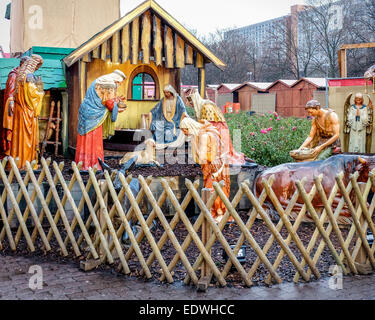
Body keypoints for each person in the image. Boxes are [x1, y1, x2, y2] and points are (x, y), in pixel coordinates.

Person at [180, 117, 232, 224]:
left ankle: (220, 214)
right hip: (210, 168)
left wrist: (194, 143)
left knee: (214, 189)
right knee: (210, 189)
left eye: (185, 130)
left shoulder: (204, 136)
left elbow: (205, 157)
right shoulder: (200, 135)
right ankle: (215, 213)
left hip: (216, 168)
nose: (184, 133)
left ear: (190, 127)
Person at [75, 70, 127, 171]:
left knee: (84, 140)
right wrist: (117, 108)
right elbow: (108, 102)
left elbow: (100, 98)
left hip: (85, 111)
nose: (119, 86)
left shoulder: (99, 80)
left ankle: (81, 164)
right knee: (93, 140)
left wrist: (115, 100)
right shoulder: (110, 84)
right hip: (95, 116)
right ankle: (92, 165)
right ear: (117, 80)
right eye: (119, 83)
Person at [186, 89, 247, 166]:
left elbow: (209, 123)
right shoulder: (203, 106)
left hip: (218, 128)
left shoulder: (207, 106)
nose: (192, 106)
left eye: (192, 104)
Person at [9, 55, 44, 170]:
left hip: (19, 111)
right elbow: (32, 94)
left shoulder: (20, 76)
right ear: (33, 64)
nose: (37, 68)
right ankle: (25, 162)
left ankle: (17, 162)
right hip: (26, 112)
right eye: (37, 66)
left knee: (18, 137)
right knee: (26, 138)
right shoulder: (28, 76)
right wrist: (40, 93)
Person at [0, 56, 30, 158]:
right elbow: (10, 92)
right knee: (12, 131)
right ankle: (11, 153)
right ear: (23, 64)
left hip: (22, 108)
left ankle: (19, 154)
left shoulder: (24, 75)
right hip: (14, 108)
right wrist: (12, 102)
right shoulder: (14, 75)